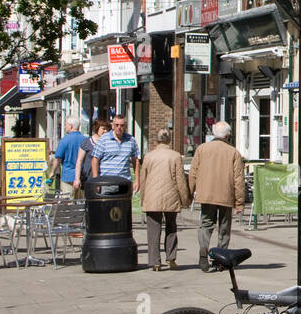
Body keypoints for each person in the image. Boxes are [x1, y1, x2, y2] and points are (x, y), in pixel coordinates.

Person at [188, 120, 245, 272]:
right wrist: (240, 202)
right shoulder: (234, 152)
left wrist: (189, 194)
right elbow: (239, 180)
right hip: (226, 195)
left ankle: (203, 249)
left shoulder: (201, 149)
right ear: (228, 135)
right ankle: (221, 259)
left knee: (206, 224)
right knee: (224, 228)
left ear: (214, 133)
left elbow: (193, 173)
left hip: (206, 194)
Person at [136, 129, 191, 271]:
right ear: (169, 140)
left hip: (152, 196)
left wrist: (143, 198)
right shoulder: (175, 156)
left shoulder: (148, 156)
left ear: (157, 140)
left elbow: (143, 179)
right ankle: (171, 258)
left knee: (153, 229)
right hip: (171, 196)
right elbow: (180, 180)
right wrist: (185, 199)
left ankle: (154, 261)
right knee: (171, 227)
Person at [90, 115, 139, 182]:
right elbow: (95, 159)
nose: (119, 127)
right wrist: (95, 180)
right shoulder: (103, 139)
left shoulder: (131, 140)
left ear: (125, 127)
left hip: (124, 182)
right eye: (117, 125)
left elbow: (135, 160)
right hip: (106, 182)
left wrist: (137, 180)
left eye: (122, 125)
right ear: (113, 126)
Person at [49, 118, 87, 198]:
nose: (64, 127)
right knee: (81, 204)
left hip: (68, 176)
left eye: (65, 125)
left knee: (67, 204)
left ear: (71, 126)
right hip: (83, 176)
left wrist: (52, 172)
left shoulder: (65, 140)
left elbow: (58, 158)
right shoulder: (85, 140)